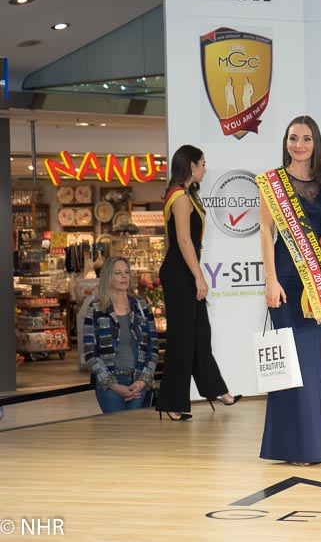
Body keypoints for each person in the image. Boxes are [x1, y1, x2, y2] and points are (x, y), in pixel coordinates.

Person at [256, 116, 321, 465]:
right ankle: (296, 445)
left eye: (306, 138)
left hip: (315, 281)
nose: (299, 145)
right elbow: (265, 231)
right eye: (293, 138)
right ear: (286, 142)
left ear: (315, 143)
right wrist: (270, 279)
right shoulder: (272, 182)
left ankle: (316, 444)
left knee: (311, 360)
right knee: (291, 362)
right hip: (286, 280)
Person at [157, 145, 241, 421]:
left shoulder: (184, 195)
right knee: (182, 338)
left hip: (183, 271)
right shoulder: (180, 197)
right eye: (202, 164)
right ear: (191, 166)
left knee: (200, 335)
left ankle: (216, 389)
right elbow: (183, 240)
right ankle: (172, 402)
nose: (205, 168)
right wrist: (198, 276)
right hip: (180, 272)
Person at [83, 257, 158, 413]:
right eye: (118, 273)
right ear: (108, 277)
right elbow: (90, 354)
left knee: (136, 428)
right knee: (117, 428)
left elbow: (153, 348)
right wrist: (114, 385)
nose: (124, 276)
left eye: (126, 272)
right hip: (110, 385)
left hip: (139, 382)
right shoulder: (96, 309)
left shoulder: (142, 306)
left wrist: (143, 381)